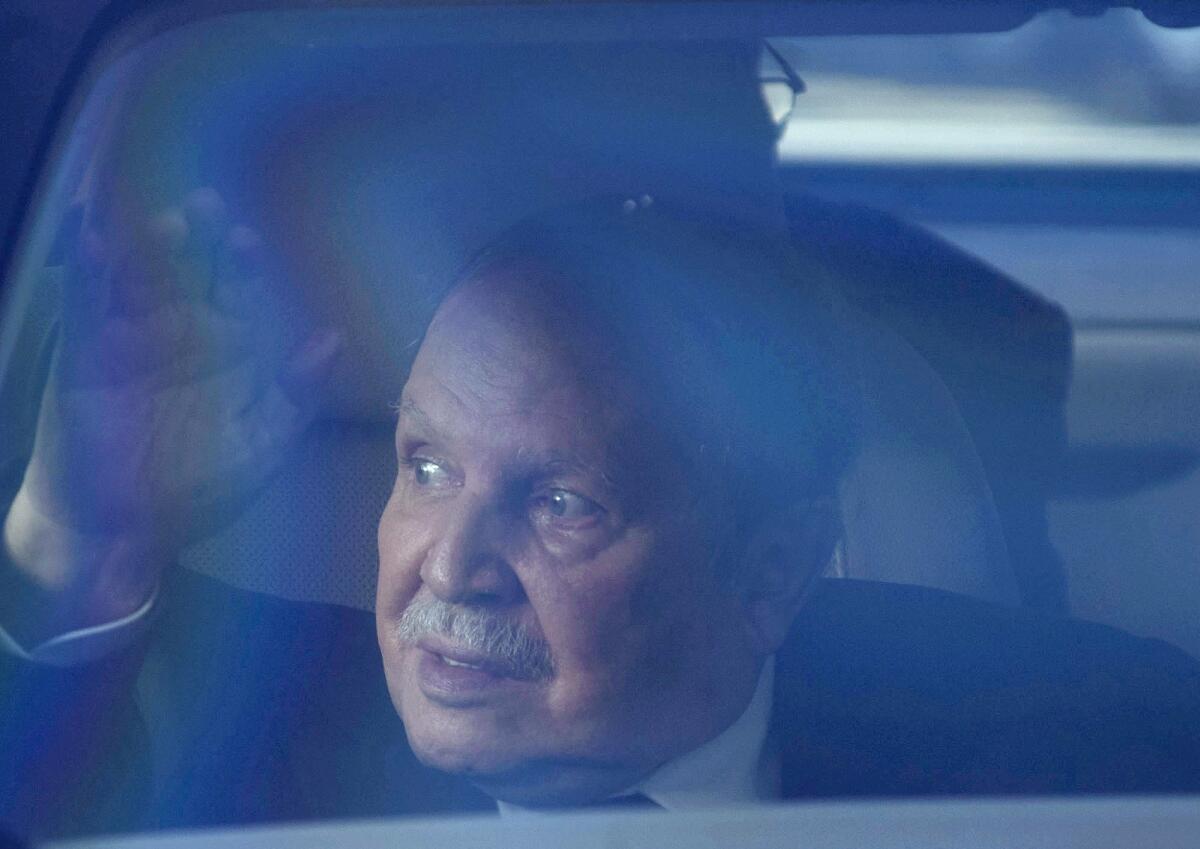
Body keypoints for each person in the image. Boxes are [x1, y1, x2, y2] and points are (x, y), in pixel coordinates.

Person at [3, 196, 1199, 840]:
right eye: (425, 468)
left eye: (563, 503)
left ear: (771, 571)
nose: (452, 570)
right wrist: (84, 545)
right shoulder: (229, 730)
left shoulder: (1077, 748)